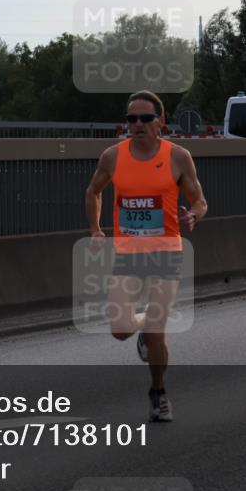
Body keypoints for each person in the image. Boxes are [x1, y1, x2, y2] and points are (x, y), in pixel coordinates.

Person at [84, 90, 208, 422]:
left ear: (160, 122)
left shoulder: (178, 157)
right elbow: (93, 190)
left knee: (157, 331)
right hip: (128, 254)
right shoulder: (112, 156)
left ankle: (157, 391)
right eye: (131, 119)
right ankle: (142, 326)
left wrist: (194, 215)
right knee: (121, 328)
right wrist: (96, 229)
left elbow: (200, 200)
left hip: (166, 253)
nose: (136, 125)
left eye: (144, 118)